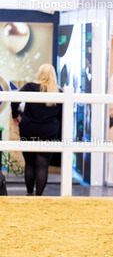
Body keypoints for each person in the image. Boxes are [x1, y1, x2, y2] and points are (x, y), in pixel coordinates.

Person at [11, 63, 62, 196]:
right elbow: (62, 115)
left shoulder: (30, 87)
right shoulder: (59, 92)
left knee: (29, 163)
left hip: (29, 129)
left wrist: (15, 116)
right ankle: (39, 197)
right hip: (49, 132)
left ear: (40, 74)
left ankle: (29, 193)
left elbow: (14, 100)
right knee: (42, 164)